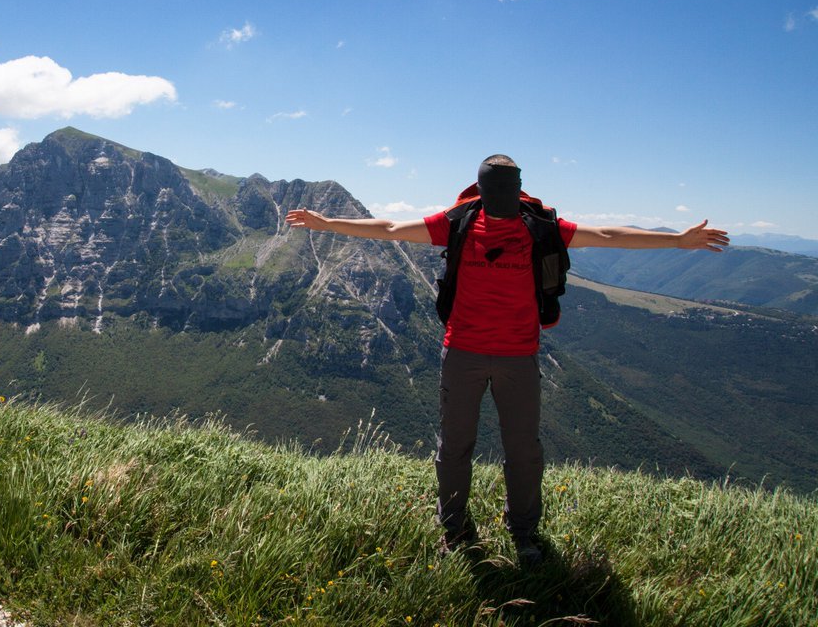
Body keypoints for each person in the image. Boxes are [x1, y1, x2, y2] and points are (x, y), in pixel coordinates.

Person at [284, 154, 728, 566]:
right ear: (486, 189)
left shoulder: (541, 228)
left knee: (517, 449)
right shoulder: (459, 222)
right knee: (463, 446)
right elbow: (391, 229)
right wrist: (327, 224)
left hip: (509, 354)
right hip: (469, 351)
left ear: (516, 189)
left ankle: (520, 533)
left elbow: (610, 235)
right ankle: (458, 529)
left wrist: (678, 241)